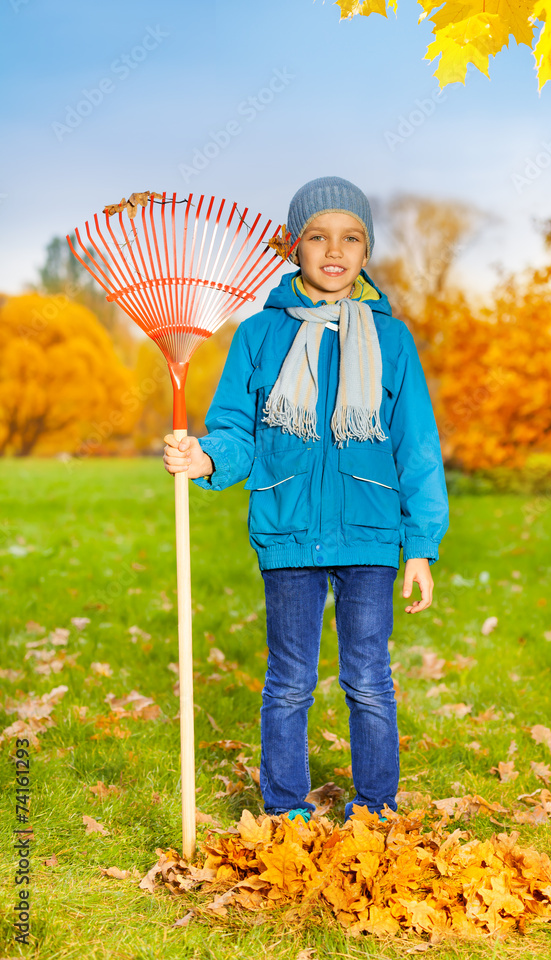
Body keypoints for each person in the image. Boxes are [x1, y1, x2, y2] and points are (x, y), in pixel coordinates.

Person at [163, 176, 449, 824]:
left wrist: (420, 547)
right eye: (317, 235)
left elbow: (417, 447)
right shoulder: (258, 336)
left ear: (366, 250)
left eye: (350, 237)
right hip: (287, 528)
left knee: (367, 681)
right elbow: (237, 427)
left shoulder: (392, 340)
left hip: (370, 534)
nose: (333, 250)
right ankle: (284, 807)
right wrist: (207, 456)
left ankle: (375, 805)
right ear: (295, 246)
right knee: (289, 681)